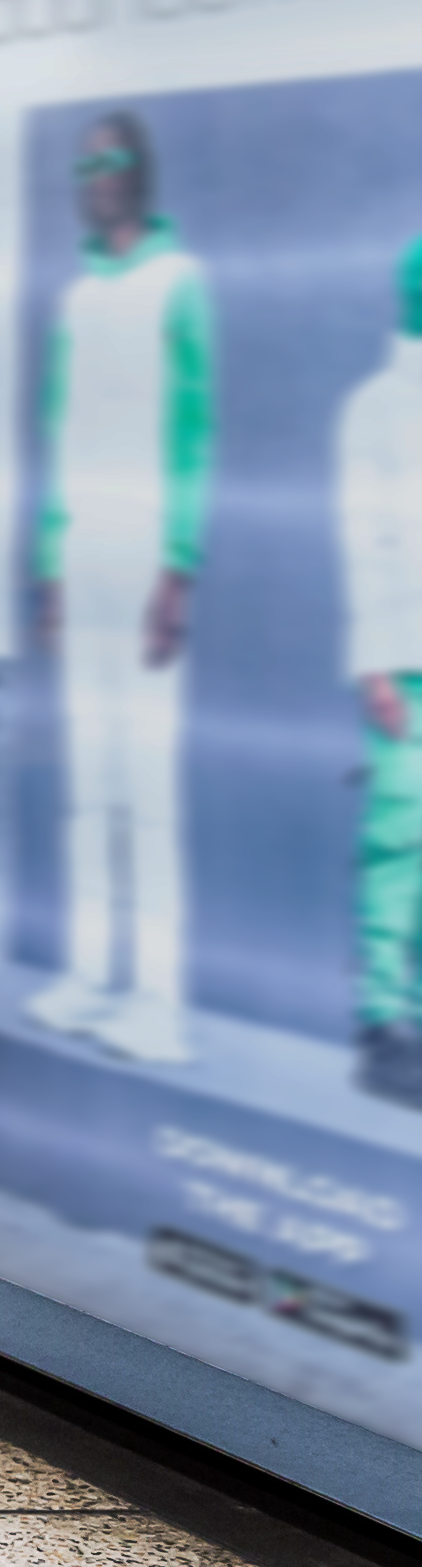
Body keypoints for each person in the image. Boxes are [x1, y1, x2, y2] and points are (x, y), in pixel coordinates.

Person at [31, 112, 209, 1065]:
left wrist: (177, 565)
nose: (93, 178)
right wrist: (54, 566)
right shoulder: (78, 297)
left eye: (108, 162)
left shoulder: (177, 285)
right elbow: (61, 436)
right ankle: (91, 975)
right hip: (86, 549)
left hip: (147, 550)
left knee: (145, 782)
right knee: (88, 777)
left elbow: (196, 429)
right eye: (84, 163)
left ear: (137, 171)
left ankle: (157, 996)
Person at [338, 236, 422, 1108]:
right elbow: (370, 542)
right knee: (402, 839)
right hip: (407, 658)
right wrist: (376, 667)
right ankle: (384, 1023)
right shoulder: (383, 406)